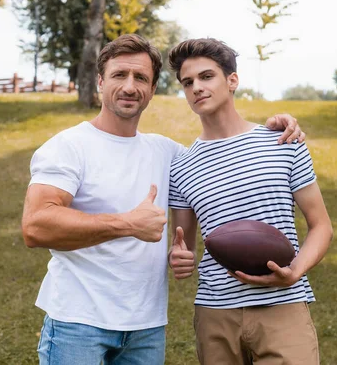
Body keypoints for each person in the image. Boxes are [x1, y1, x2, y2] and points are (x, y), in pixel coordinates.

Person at [21, 33, 306, 365]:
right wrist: (127, 224)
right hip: (77, 322)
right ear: (100, 81)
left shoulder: (168, 153)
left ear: (152, 90)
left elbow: (221, 157)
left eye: (141, 77)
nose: (130, 86)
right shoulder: (69, 146)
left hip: (146, 329)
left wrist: (272, 129)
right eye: (119, 75)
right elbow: (36, 226)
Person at [167, 38, 333, 365]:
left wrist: (295, 270)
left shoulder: (283, 142)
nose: (197, 88)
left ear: (232, 80)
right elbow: (182, 244)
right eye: (188, 83)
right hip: (215, 314)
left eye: (206, 77)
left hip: (282, 306)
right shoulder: (181, 166)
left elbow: (322, 226)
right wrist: (177, 257)